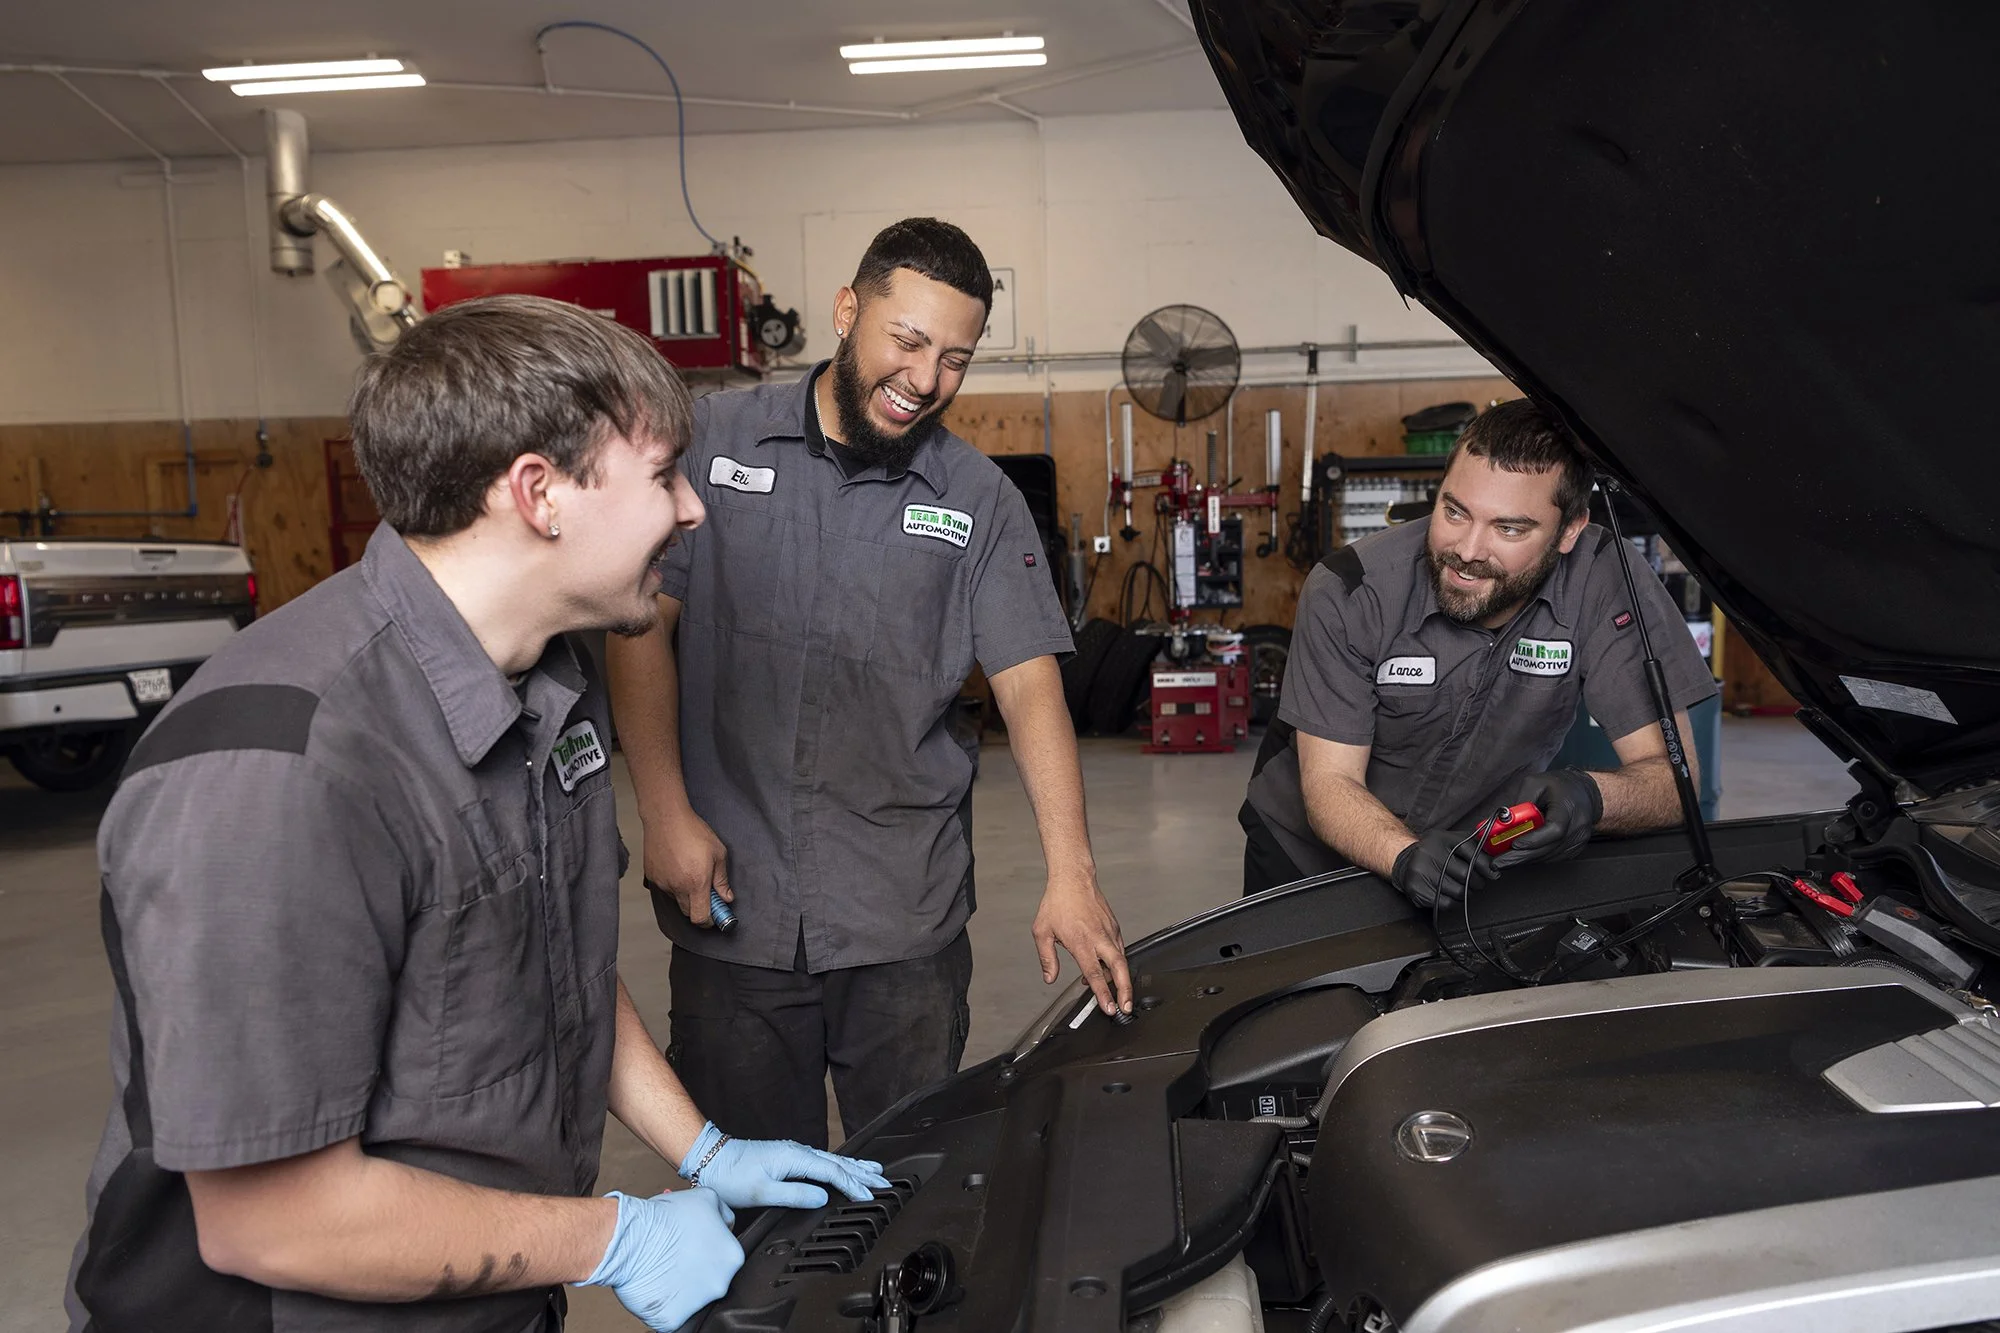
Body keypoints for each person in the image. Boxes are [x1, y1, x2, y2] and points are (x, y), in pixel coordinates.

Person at [65, 295, 887, 1333]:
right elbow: (272, 1221)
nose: (692, 511)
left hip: (482, 1291)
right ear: (539, 493)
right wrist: (614, 1236)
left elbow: (552, 957)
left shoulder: (549, 675)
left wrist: (702, 1148)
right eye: (662, 475)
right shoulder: (279, 771)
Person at [607, 217, 1131, 1150]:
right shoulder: (714, 443)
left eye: (957, 360)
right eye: (909, 340)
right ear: (849, 311)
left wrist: (1072, 874)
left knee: (912, 1186)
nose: (926, 380)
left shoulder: (975, 497)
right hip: (734, 905)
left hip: (903, 918)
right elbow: (642, 622)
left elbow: (1030, 685)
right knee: (756, 1201)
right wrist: (663, 811)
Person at [1240, 396, 1716, 904]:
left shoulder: (1606, 580)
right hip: (1307, 857)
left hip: (1469, 866)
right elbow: (1331, 783)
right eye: (1454, 511)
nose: (1467, 551)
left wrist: (1591, 797)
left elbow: (1673, 783)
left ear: (1570, 530)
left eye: (1508, 528)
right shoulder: (1351, 589)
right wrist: (1403, 855)